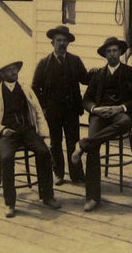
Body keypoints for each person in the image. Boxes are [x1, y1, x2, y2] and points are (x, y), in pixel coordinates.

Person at [0, 59, 62, 218]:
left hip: (27, 131)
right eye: (10, 70)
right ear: (2, 74)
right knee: (6, 158)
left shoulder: (26, 90)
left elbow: (38, 113)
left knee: (44, 152)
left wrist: (44, 136)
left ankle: (47, 196)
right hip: (7, 134)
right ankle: (10, 202)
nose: (14, 72)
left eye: (15, 69)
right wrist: (1, 130)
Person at [70, 36, 132, 212]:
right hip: (100, 115)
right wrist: (95, 109)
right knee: (94, 146)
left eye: (115, 51)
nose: (112, 54)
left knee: (125, 122)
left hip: (120, 114)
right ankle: (92, 197)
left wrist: (121, 108)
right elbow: (86, 99)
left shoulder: (130, 73)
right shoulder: (98, 75)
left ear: (120, 52)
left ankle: (83, 144)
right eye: (108, 52)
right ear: (104, 55)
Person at [31, 25, 89, 185]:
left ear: (68, 43)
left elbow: (85, 79)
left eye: (64, 40)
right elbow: (35, 88)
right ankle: (58, 173)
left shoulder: (75, 61)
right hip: (52, 111)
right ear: (52, 43)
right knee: (55, 143)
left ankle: (76, 174)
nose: (62, 43)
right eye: (58, 40)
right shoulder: (44, 63)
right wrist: (43, 108)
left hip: (71, 109)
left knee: (74, 142)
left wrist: (98, 73)